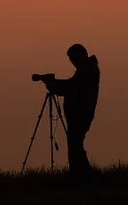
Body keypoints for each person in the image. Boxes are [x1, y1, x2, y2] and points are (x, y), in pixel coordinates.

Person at [42, 44, 100, 176]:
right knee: (76, 144)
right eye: (71, 59)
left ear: (82, 55)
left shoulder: (87, 71)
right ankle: (83, 173)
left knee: (75, 144)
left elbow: (71, 87)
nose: (72, 61)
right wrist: (55, 85)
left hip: (80, 113)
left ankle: (79, 174)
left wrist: (53, 84)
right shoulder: (87, 69)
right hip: (80, 113)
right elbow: (71, 86)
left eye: (73, 57)